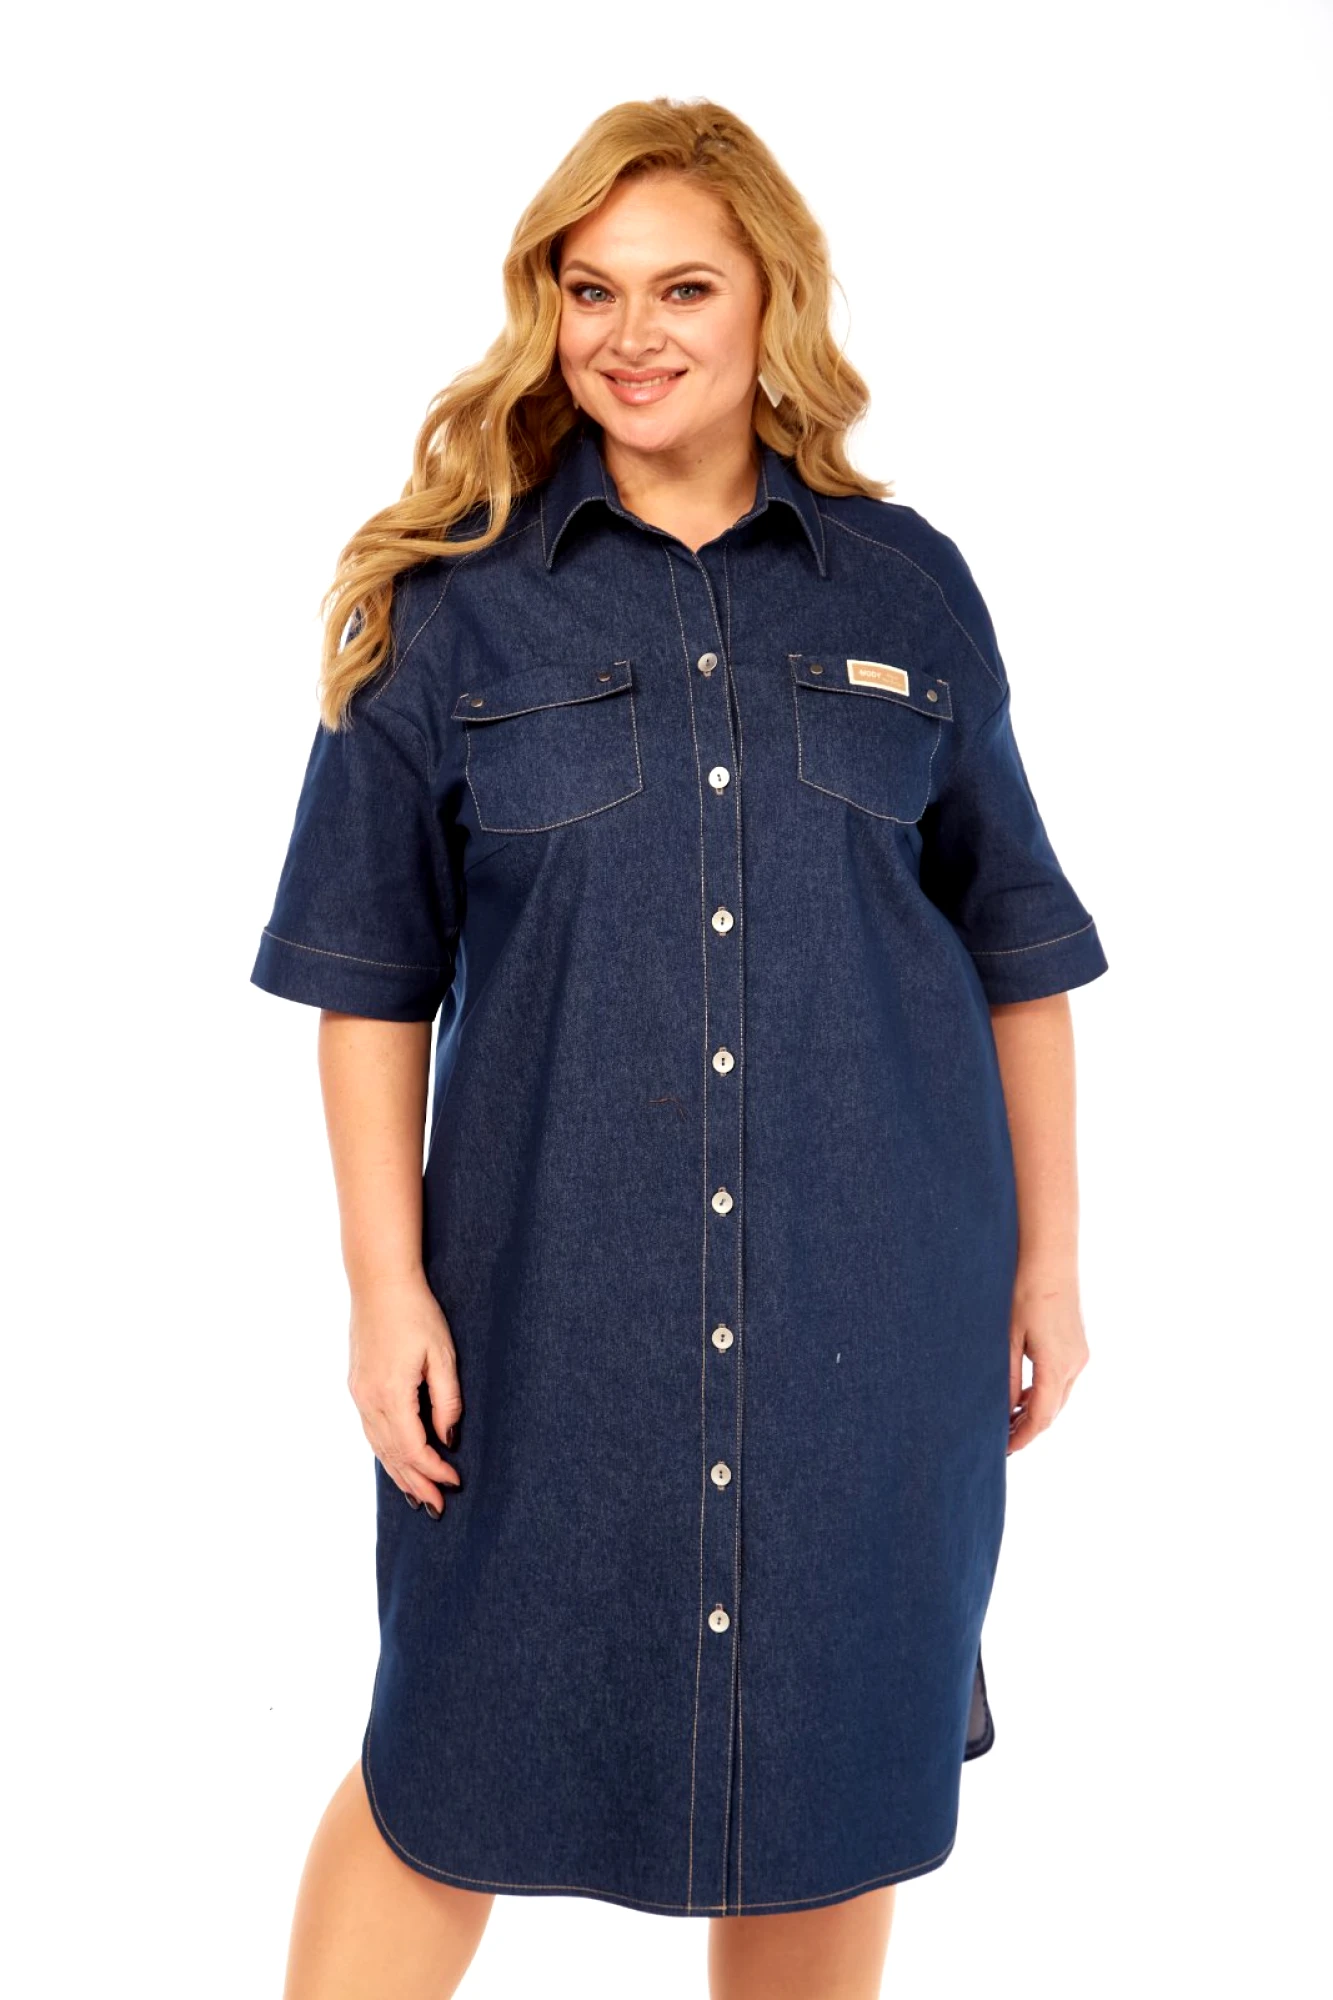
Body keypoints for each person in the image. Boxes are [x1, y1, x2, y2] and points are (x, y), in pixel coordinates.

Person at [251, 95, 1109, 2000]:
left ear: (771, 301)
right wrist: (385, 1289)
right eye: (591, 290)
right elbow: (369, 981)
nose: (631, 334)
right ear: (545, 308)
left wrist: (1049, 1266)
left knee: (825, 1769)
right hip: (548, 1319)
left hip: (870, 1312)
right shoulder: (452, 608)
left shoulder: (908, 591)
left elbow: (1016, 953)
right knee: (443, 1764)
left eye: (684, 288)